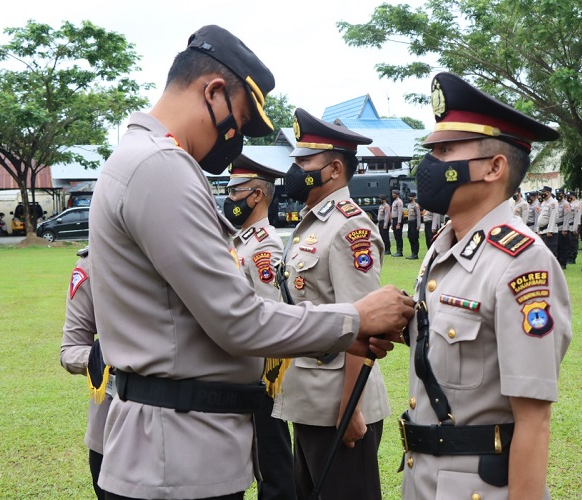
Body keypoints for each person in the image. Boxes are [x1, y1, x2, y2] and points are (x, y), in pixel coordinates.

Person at [87, 25, 413, 500]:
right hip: (177, 456)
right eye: (238, 121)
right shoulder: (162, 167)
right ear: (213, 93)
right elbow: (237, 319)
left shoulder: (133, 159)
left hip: (172, 446)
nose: (235, 141)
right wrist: (358, 318)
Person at [399, 71, 572, 499]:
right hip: (422, 479)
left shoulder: (522, 261)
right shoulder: (443, 247)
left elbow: (533, 420)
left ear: (495, 167)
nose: (429, 165)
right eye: (431, 150)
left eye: (444, 151)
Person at [272, 108, 390, 500]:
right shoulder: (314, 221)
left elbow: (364, 324)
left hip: (339, 405)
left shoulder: (348, 226)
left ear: (335, 169)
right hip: (310, 400)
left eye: (305, 161)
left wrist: (350, 407)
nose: (296, 169)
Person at [223, 155, 296, 499]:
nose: (230, 198)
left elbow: (268, 310)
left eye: (235, 191)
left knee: (272, 457)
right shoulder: (240, 241)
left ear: (256, 195)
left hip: (262, 369)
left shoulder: (263, 243)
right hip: (243, 365)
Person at [59, 246, 112, 500]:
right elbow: (70, 350)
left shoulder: (193, 248)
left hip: (189, 424)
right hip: (112, 429)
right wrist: (105, 356)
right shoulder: (93, 264)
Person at [536, 185, 558, 258]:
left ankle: (552, 269)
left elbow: (553, 217)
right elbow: (541, 217)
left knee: (551, 252)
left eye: (543, 192)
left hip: (549, 232)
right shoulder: (544, 203)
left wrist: (550, 231)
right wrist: (538, 230)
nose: (541, 194)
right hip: (543, 231)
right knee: (544, 252)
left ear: (548, 193)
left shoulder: (553, 203)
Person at [556, 189, 571, 269]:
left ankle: (563, 263)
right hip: (556, 227)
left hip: (562, 227)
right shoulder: (556, 203)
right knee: (557, 246)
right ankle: (558, 262)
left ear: (563, 194)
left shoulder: (566, 204)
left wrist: (565, 229)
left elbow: (566, 217)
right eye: (557, 194)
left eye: (560, 194)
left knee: (563, 246)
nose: (558, 195)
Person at [406, 192, 422, 259]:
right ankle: (412, 253)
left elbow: (418, 216)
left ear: (413, 197)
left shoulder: (416, 205)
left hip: (414, 223)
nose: (408, 198)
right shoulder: (409, 205)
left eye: (409, 197)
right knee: (410, 238)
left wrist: (418, 225)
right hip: (410, 223)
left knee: (415, 238)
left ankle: (415, 254)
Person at [567, 190, 581, 264]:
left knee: (573, 243)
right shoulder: (568, 204)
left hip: (573, 225)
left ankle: (573, 258)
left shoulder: (576, 205)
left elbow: (577, 217)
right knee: (568, 243)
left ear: (574, 197)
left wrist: (575, 228)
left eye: (570, 196)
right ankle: (568, 257)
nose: (569, 197)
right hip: (568, 225)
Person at [391, 189, 405, 256]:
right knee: (396, 236)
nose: (392, 194)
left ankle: (400, 251)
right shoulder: (394, 201)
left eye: (393, 193)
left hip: (398, 220)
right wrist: (392, 223)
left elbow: (400, 213)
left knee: (398, 236)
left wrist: (398, 223)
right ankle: (397, 250)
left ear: (396, 194)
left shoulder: (399, 202)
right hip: (394, 219)